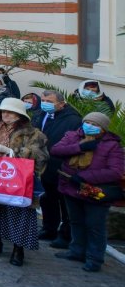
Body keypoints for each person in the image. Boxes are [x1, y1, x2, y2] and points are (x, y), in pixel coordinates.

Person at [0, 97, 48, 267]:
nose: (6, 115)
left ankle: (18, 249)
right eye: (4, 111)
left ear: (20, 116)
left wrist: (11, 151)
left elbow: (40, 157)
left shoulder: (33, 134)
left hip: (17, 182)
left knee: (18, 215)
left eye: (11, 112)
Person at [50, 112, 124, 273]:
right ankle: (77, 250)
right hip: (70, 186)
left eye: (94, 124)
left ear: (103, 129)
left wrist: (84, 177)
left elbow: (116, 171)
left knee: (94, 225)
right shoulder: (73, 136)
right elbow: (56, 150)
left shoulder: (112, 145)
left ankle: (94, 258)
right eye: (87, 122)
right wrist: (79, 147)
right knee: (76, 221)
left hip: (94, 191)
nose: (89, 126)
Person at [33, 90, 83, 248]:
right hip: (44, 165)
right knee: (47, 199)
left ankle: (66, 234)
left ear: (61, 104)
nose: (45, 103)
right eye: (43, 99)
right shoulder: (41, 114)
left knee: (64, 203)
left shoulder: (73, 120)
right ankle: (49, 228)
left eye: (49, 100)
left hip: (62, 167)